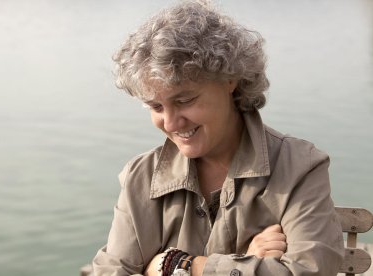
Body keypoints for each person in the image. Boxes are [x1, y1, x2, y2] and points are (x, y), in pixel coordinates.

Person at [93, 1, 344, 275]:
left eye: (185, 100)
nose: (171, 122)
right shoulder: (140, 176)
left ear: (230, 80)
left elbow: (310, 271)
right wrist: (245, 262)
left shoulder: (300, 167)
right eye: (155, 107)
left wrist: (174, 266)